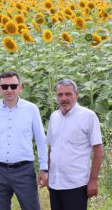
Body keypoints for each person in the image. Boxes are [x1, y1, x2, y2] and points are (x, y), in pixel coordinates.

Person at [0, 71, 48, 210]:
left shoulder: (31, 109)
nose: (9, 90)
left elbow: (41, 140)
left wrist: (44, 168)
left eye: (13, 86)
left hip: (24, 171)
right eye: (5, 86)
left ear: (20, 87)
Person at [46, 79, 103, 210]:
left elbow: (98, 150)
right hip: (55, 183)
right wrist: (49, 174)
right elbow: (51, 148)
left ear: (76, 95)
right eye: (60, 95)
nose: (64, 98)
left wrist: (93, 180)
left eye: (68, 94)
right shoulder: (54, 117)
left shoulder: (88, 116)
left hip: (76, 184)